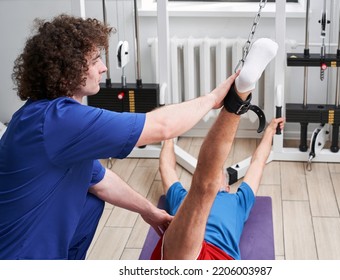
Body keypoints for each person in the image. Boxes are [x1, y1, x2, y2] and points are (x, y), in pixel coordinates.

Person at [0, 14, 239, 260]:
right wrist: (212, 99)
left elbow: (100, 180)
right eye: (94, 61)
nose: (103, 67)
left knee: (90, 203)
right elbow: (163, 126)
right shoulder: (57, 121)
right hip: (15, 258)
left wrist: (149, 211)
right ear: (66, 73)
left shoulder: (44, 116)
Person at [150, 38, 282, 260]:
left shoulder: (237, 200)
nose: (221, 171)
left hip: (218, 259)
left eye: (220, 171)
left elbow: (258, 163)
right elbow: (167, 168)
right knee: (201, 188)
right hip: (188, 252)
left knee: (203, 186)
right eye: (221, 172)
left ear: (228, 187)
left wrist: (269, 131)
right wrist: (169, 137)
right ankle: (240, 95)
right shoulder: (225, 199)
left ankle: (239, 96)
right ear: (228, 187)